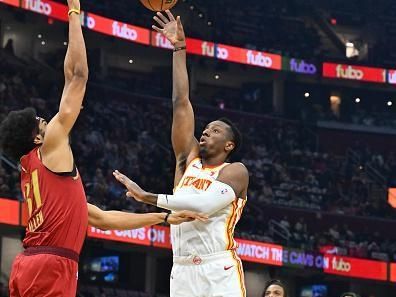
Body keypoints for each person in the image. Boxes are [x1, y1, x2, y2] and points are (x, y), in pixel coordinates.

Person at [0, 2, 205, 297]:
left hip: (31, 264)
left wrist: (161, 217)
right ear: (36, 139)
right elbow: (77, 77)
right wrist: (73, 12)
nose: (51, 121)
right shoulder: (52, 146)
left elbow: (102, 219)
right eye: (43, 122)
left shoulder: (37, 175)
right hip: (50, 264)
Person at [114, 10, 249, 297]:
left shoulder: (235, 171)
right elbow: (180, 102)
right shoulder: (187, 161)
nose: (205, 133)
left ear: (229, 145)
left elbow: (201, 207)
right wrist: (178, 48)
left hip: (218, 268)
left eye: (215, 131)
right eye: (206, 129)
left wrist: (146, 196)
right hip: (182, 268)